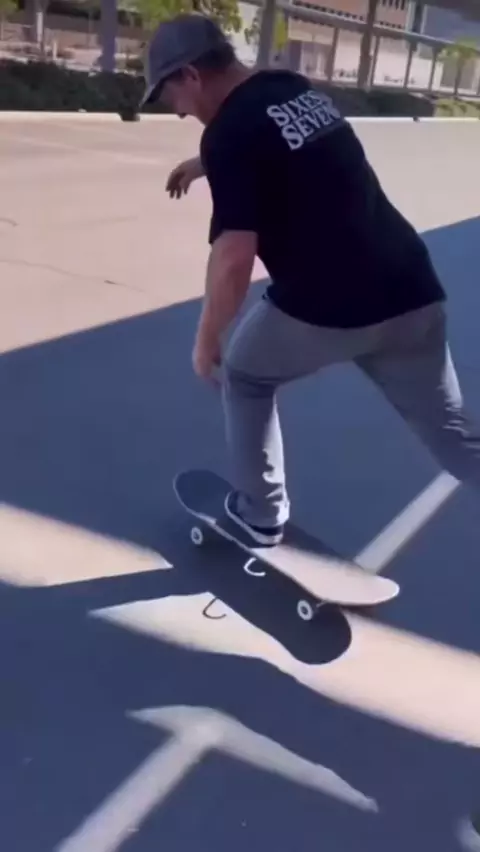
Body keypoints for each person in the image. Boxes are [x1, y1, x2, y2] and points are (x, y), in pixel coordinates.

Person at [140, 13, 480, 546]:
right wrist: (205, 161)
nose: (178, 111)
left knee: (245, 375)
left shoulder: (230, 136)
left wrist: (207, 339)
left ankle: (260, 515)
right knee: (454, 435)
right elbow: (279, 138)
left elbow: (233, 259)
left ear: (191, 75)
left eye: (170, 96)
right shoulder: (292, 88)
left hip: (329, 305)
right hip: (411, 288)